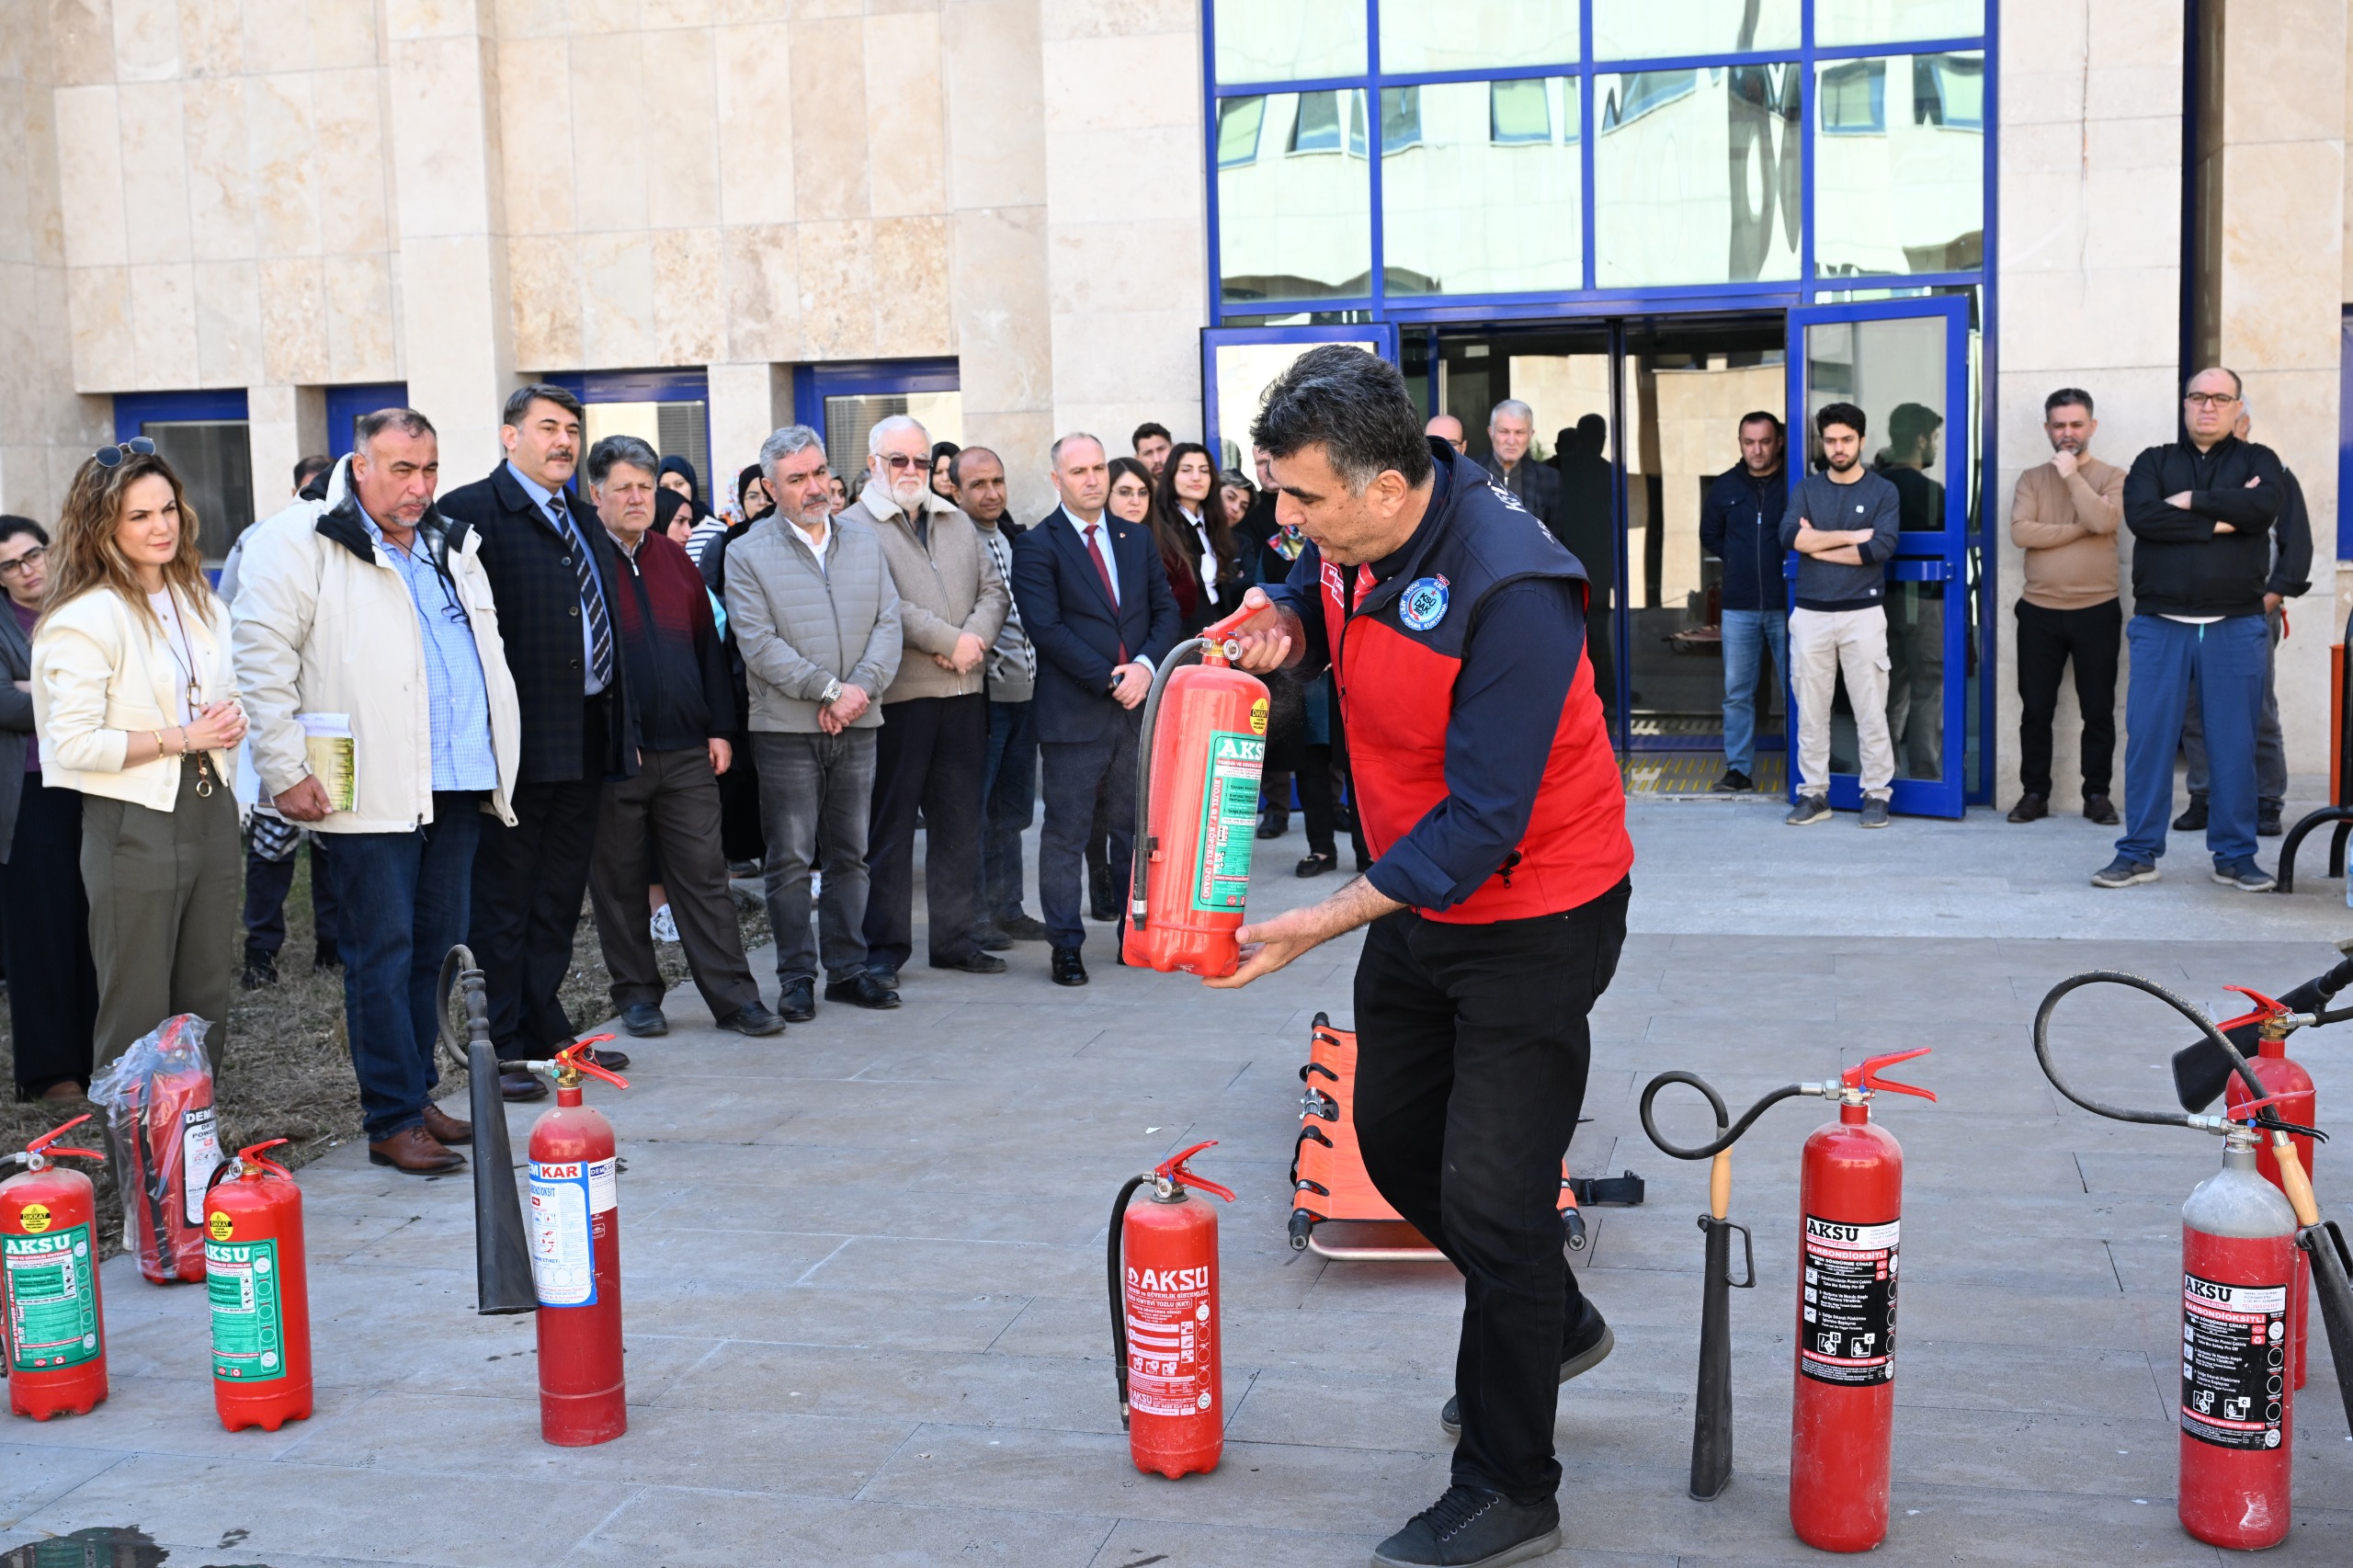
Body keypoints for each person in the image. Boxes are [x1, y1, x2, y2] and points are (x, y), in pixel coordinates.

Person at [1212, 346, 1632, 1568]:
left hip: (1535, 912)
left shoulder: (1515, 587)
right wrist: (1283, 617)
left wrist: (1315, 920)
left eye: (1304, 499)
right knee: (1396, 1144)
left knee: (1494, 1196)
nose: (1289, 520)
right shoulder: (1351, 534)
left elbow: (1486, 819)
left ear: (1388, 485)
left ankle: (1509, 1486)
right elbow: (1313, 589)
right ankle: (1549, 1315)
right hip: (1415, 896)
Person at [233, 408, 523, 1175]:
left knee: (434, 952)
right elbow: (260, 662)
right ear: (359, 466)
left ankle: (417, 1095)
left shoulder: (447, 541)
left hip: (456, 778)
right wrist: (284, 768)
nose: (420, 486)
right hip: (368, 784)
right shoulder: (297, 540)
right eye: (402, 469)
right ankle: (390, 1117)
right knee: (382, 953)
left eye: (429, 469)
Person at [436, 383, 636, 1101]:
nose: (564, 442)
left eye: (572, 430)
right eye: (548, 427)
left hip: (585, 734)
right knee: (505, 899)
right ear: (509, 435)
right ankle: (502, 1046)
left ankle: (545, 1024)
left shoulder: (580, 515)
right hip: (515, 744)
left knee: (557, 895)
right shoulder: (469, 513)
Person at [32, 440, 245, 1079]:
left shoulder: (199, 600)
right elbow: (71, 744)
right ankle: (136, 1142)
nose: (161, 526)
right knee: (137, 1003)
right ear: (103, 526)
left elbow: (220, 694)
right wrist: (184, 736)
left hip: (211, 803)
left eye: (168, 509)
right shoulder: (85, 617)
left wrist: (228, 721)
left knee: (205, 994)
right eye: (140, 515)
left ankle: (193, 1131)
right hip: (132, 816)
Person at [571, 436, 781, 1041]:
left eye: (646, 487)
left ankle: (735, 999)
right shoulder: (580, 560)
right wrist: (615, 733)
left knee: (704, 877)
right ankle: (638, 997)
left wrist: (719, 728)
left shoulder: (674, 558)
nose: (637, 498)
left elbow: (708, 650)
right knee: (619, 882)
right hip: (617, 754)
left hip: (688, 751)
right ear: (596, 494)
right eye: (624, 488)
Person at [724, 426, 904, 1019]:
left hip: (859, 720)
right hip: (785, 729)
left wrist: (857, 693)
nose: (814, 487)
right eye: (796, 478)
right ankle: (796, 976)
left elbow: (888, 624)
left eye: (819, 472)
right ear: (771, 487)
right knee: (791, 859)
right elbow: (758, 644)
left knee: (851, 854)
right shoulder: (746, 552)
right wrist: (828, 691)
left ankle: (848, 971)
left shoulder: (864, 543)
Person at [2095, 368, 2284, 892]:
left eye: (2220, 398)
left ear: (2237, 407)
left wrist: (2189, 501)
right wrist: (2226, 516)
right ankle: (2138, 852)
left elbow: (2262, 508)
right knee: (2148, 742)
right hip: (2161, 623)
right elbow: (2143, 518)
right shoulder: (2153, 462)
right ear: (2184, 405)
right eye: (2198, 397)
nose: (2208, 406)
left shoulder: (2260, 460)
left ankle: (2235, 855)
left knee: (2234, 744)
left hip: (2236, 623)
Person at [1008, 433, 1178, 986]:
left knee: (1133, 832)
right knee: (1067, 834)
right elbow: (1046, 628)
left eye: (1099, 468)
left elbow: (1165, 611)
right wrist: (1111, 679)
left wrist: (1146, 668)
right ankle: (1065, 945)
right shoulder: (1037, 545)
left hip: (1137, 711)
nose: (1092, 479)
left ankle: (1134, 935)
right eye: (1078, 471)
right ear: (1057, 480)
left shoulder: (1135, 537)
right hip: (1075, 715)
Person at [857, 416, 1010, 985]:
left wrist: (973, 641)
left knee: (959, 824)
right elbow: (881, 603)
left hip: (965, 693)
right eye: (898, 459)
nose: (911, 470)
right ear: (873, 464)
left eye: (921, 461)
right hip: (901, 700)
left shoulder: (955, 520)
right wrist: (950, 641)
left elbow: (994, 591)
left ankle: (953, 939)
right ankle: (884, 949)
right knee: (892, 830)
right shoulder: (853, 527)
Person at [230, 452, 344, 988]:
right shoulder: (261, 540)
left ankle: (332, 945)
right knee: (271, 846)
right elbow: (233, 619)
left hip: (331, 724)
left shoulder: (347, 538)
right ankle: (261, 951)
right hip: (278, 716)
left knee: (329, 840)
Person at [0, 517, 100, 1101]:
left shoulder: (81, 605)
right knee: (39, 931)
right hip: (28, 793)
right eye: (9, 565)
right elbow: (4, 706)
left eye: (32, 555)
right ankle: (51, 1072)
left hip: (89, 782)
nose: (25, 570)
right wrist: (70, 695)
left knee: (90, 922)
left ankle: (96, 1057)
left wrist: (29, 688)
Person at [2177, 404, 2311, 838]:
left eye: (2224, 411)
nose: (2210, 418)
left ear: (2244, 422)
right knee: (2195, 709)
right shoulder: (2187, 473)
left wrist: (2267, 601)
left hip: (2252, 614)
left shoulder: (2275, 475)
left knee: (2257, 709)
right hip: (2192, 615)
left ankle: (2266, 800)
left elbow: (2297, 548)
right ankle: (2204, 795)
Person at [2007, 388, 2124, 826]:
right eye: (2059, 425)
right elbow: (2021, 532)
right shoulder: (2031, 479)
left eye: (2076, 424)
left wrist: (2073, 477)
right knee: (2036, 709)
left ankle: (2097, 795)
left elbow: (2105, 521)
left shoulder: (2113, 476)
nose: (2068, 433)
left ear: (2092, 426)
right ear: (2047, 428)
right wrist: (2081, 528)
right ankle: (2035, 793)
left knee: (2098, 710)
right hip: (2039, 610)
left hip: (2097, 609)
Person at [1780, 402, 1900, 827]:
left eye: (1847, 439)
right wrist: (1849, 537)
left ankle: (1876, 794)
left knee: (1871, 710)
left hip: (1863, 614)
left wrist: (1818, 544)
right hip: (1811, 613)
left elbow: (1879, 548)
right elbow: (1790, 537)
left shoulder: (1883, 491)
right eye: (1830, 440)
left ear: (1862, 441)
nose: (1838, 448)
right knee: (1811, 712)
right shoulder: (1806, 489)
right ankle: (1814, 794)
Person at [949, 447, 1050, 946]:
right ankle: (976, 916)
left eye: (997, 481)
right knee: (976, 811)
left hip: (1027, 695)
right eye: (978, 485)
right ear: (955, 491)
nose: (991, 493)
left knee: (1012, 812)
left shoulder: (1014, 537)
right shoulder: (953, 541)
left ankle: (1008, 908)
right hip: (982, 699)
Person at [1698, 412, 1790, 792]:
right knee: (1737, 693)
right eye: (1749, 442)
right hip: (1739, 605)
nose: (1757, 450)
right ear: (1740, 443)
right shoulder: (1725, 486)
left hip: (1788, 603)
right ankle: (1739, 770)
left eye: (1765, 442)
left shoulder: (1795, 484)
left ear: (1778, 443)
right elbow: (1709, 535)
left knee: (1800, 689)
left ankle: (1808, 766)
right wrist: (1737, 559)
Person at [1876, 403, 1948, 778]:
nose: (1936, 445)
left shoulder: (1875, 486)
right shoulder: (1934, 492)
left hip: (1878, 601)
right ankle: (1925, 775)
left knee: (1887, 688)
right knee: (1928, 686)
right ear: (1920, 440)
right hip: (1927, 599)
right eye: (1934, 437)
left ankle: (1883, 774)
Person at [1157, 441, 1245, 633]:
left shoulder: (1215, 522)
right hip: (1181, 631)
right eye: (1186, 470)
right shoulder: (1159, 525)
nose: (1196, 477)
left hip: (1220, 626)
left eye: (1204, 470)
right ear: (1171, 475)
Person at [1483, 399, 1561, 536]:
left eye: (1519, 432)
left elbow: (1553, 538)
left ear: (1531, 434)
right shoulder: (1472, 473)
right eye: (1504, 431)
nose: (1511, 441)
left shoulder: (1549, 479)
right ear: (1491, 432)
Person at [927, 440, 961, 504]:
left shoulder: (974, 506)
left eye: (950, 471)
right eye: (938, 472)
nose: (945, 478)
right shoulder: (917, 508)